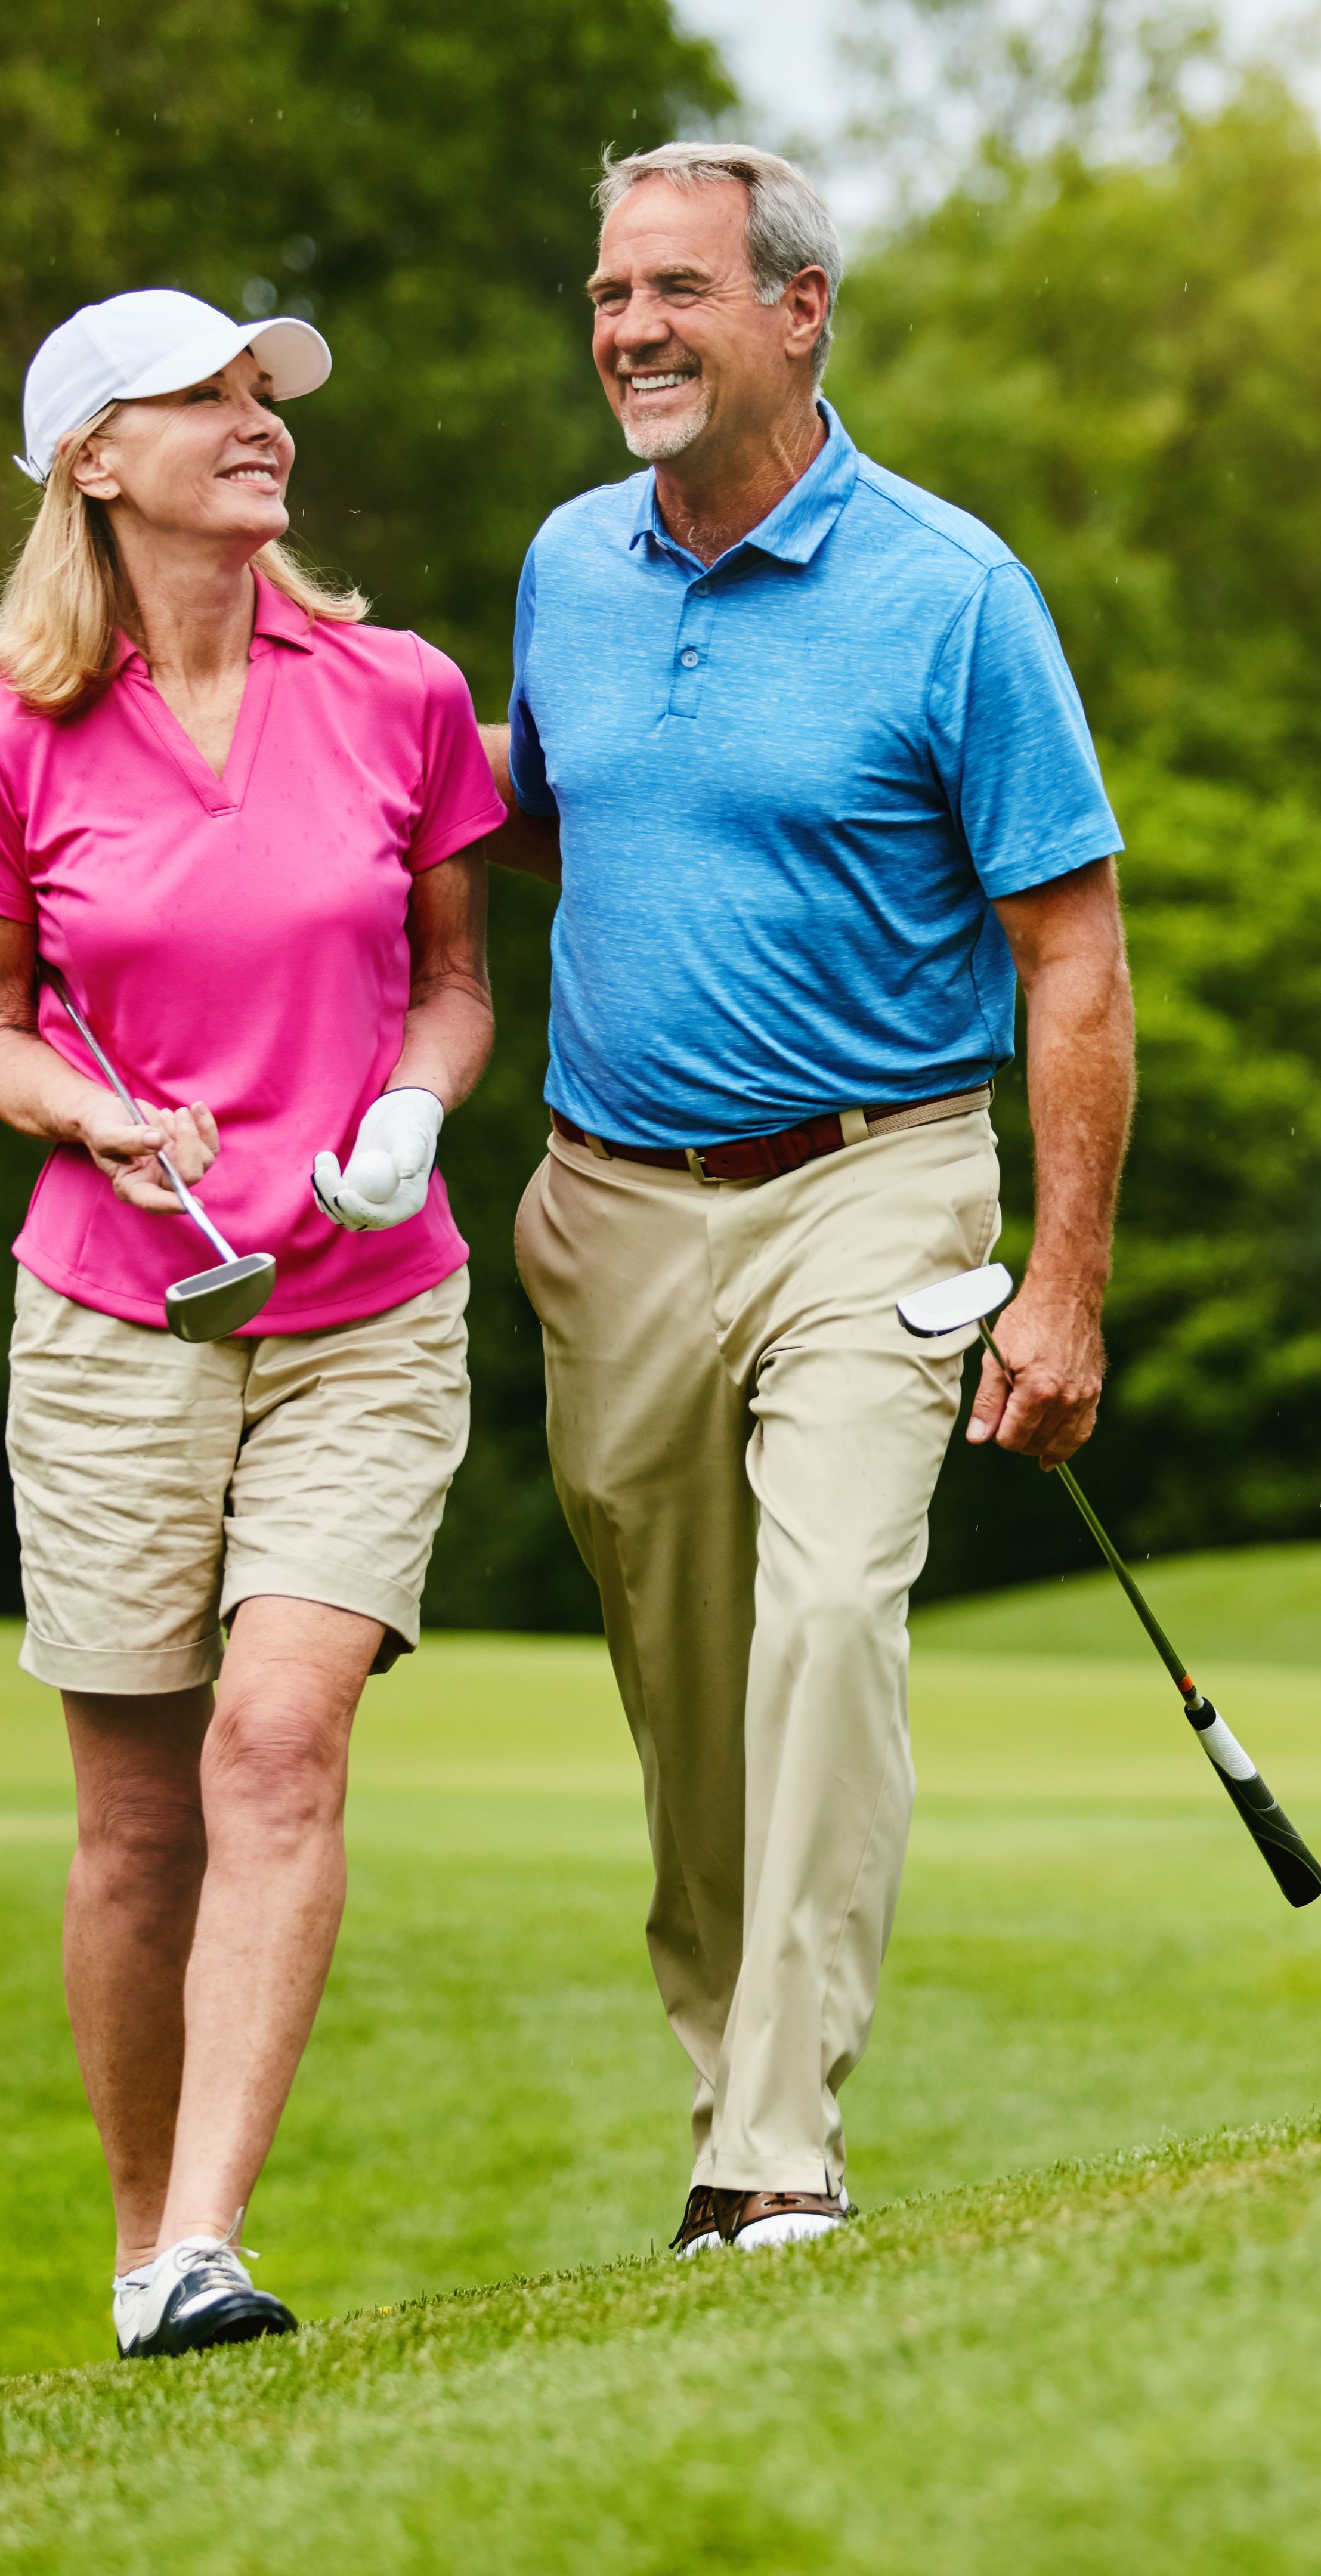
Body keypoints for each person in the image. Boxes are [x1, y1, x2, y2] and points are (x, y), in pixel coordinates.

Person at [479, 144, 1137, 2257]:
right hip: (613, 1212)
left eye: (674, 288)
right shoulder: (569, 567)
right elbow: (559, 838)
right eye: (605, 296)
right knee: (685, 1703)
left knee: (836, 1614)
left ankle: (777, 2152)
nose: (631, 332)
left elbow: (1074, 954)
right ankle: (731, 2098)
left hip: (880, 1193)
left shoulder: (952, 591)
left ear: (800, 310)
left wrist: (1064, 1281)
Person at [0, 288, 508, 2357]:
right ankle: (138, 2242)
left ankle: (206, 2248)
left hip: (365, 1305)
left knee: (280, 1738)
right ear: (93, 456)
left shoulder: (401, 689)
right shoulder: (1, 738)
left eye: (266, 396)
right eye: (206, 399)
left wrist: (416, 1111)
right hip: (113, 1318)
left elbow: (455, 977)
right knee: (137, 1818)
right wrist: (100, 1114)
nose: (258, 425)